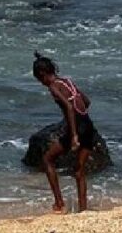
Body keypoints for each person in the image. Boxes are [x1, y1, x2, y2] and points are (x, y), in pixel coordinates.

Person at [32, 51, 97, 214]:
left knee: (47, 159)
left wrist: (73, 134)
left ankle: (59, 203)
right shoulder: (67, 81)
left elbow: (68, 107)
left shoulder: (54, 87)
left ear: (43, 74)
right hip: (88, 126)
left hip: (77, 129)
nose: (41, 83)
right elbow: (86, 102)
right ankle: (83, 210)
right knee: (79, 170)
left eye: (39, 80)